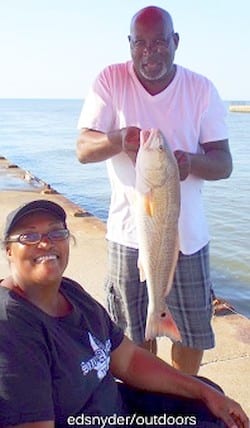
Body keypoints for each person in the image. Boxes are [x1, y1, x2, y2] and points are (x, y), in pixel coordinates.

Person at [76, 6, 233, 374]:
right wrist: (117, 139)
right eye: (141, 44)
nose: (150, 52)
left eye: (160, 42)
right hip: (127, 236)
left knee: (191, 335)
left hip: (188, 239)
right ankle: (145, 398)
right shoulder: (110, 81)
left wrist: (191, 164)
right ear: (130, 45)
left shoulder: (200, 89)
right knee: (132, 332)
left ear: (175, 42)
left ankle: (183, 392)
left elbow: (224, 163)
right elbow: (83, 149)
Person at [0, 199, 248, 428]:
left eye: (56, 232)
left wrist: (205, 394)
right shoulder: (12, 328)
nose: (46, 242)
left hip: (122, 411)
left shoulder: (70, 292)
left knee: (209, 399)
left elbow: (128, 360)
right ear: (9, 251)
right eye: (29, 236)